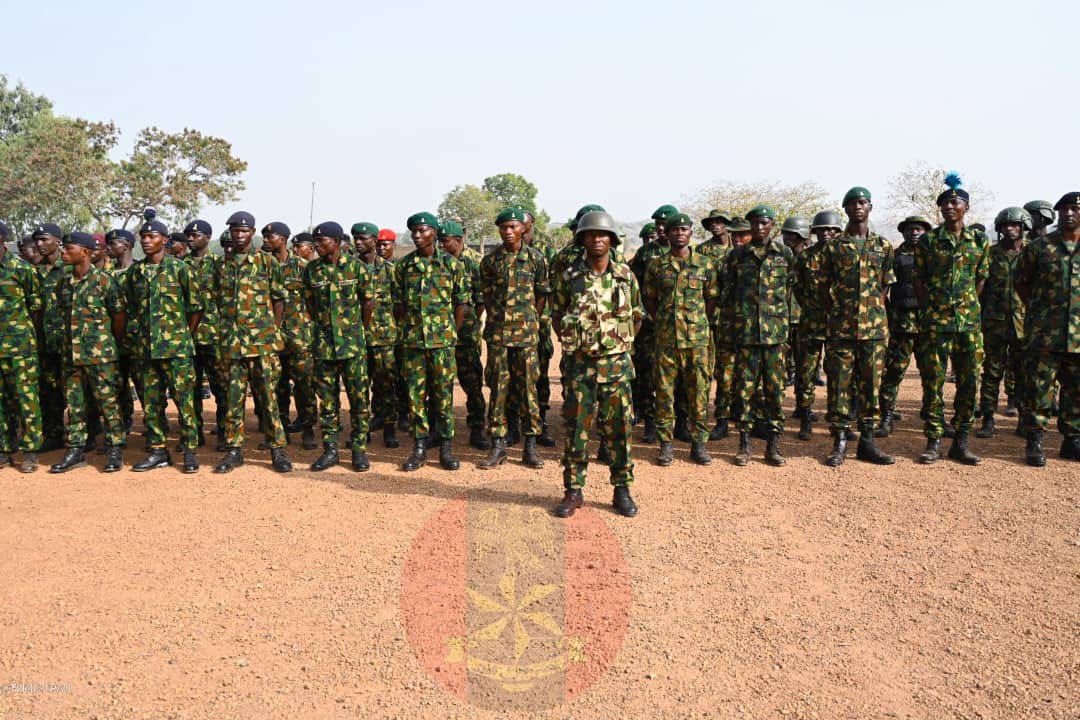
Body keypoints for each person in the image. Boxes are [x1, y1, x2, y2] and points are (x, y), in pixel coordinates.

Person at [552, 210, 642, 518]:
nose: (597, 239)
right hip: (580, 368)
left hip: (616, 368)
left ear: (612, 240)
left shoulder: (625, 275)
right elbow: (557, 314)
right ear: (582, 240)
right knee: (577, 429)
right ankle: (573, 491)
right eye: (590, 234)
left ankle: (622, 489)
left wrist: (617, 346)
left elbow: (637, 316)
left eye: (602, 234)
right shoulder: (570, 277)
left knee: (619, 430)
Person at [913, 174, 989, 465]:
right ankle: (933, 440)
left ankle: (961, 441)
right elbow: (919, 280)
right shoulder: (930, 241)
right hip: (936, 323)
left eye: (955, 202)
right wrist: (931, 308)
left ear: (966, 207)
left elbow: (981, 278)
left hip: (968, 324)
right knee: (933, 382)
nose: (949, 207)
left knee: (969, 382)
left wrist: (966, 306)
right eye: (944, 203)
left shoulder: (979, 240)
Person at [819, 187, 895, 466]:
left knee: (871, 386)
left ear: (870, 207)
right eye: (852, 204)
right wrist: (839, 313)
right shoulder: (835, 246)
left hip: (874, 331)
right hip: (842, 329)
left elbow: (886, 284)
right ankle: (839, 441)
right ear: (846, 209)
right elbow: (823, 287)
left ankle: (867, 442)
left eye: (862, 202)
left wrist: (873, 310)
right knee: (839, 385)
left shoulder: (883, 245)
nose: (858, 207)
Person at [212, 211, 292, 473]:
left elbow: (279, 298)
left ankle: (277, 450)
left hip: (262, 344)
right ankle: (234, 450)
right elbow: (216, 301)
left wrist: (274, 331)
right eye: (234, 230)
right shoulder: (221, 266)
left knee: (268, 399)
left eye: (243, 230)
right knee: (233, 400)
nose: (238, 234)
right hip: (232, 345)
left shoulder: (266, 262)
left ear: (252, 232)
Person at [124, 209, 202, 473]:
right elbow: (132, 307)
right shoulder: (135, 273)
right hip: (146, 350)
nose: (146, 241)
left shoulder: (181, 269)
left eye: (152, 236)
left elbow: (195, 307)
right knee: (151, 403)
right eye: (143, 236)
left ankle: (190, 450)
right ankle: (158, 450)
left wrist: (183, 336)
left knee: (184, 401)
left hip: (176, 349)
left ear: (165, 240)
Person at [395, 212, 470, 471]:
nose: (417, 235)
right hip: (414, 344)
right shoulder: (404, 267)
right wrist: (409, 330)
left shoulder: (452, 265)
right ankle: (418, 448)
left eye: (422, 231)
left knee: (443, 396)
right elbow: (399, 305)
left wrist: (452, 333)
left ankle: (446, 448)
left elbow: (461, 302)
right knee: (416, 396)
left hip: (443, 343)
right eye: (414, 231)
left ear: (434, 234)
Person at [643, 212, 719, 466]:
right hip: (666, 341)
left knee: (699, 392)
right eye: (674, 229)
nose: (679, 233)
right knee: (664, 394)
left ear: (690, 233)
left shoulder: (705, 264)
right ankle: (666, 445)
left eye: (684, 229)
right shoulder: (657, 265)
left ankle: (699, 444)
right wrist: (665, 322)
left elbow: (711, 299)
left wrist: (696, 323)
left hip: (696, 342)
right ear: (668, 232)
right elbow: (650, 300)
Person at [478, 207, 550, 469]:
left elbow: (541, 294)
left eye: (513, 227)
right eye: (503, 228)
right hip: (498, 337)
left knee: (529, 391)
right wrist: (498, 319)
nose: (508, 232)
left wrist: (531, 320)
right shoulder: (490, 262)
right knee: (498, 389)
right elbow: (486, 296)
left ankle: (530, 447)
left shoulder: (536, 259)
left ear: (524, 228)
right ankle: (498, 446)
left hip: (526, 337)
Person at [49, 232, 127, 473]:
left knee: (108, 403)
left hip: (100, 355)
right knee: (75, 405)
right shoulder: (63, 283)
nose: (63, 252)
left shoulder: (104, 281)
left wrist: (107, 343)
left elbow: (119, 316)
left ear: (84, 252)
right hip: (72, 355)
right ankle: (76, 449)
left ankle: (114, 448)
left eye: (68, 248)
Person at [724, 205, 795, 466]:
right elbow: (728, 293)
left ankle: (773, 446)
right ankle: (744, 445)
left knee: (775, 391)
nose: (759, 228)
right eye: (754, 224)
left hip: (775, 337)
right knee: (744, 391)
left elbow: (790, 288)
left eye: (763, 223)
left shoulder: (784, 253)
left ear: (772, 225)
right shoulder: (738, 256)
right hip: (746, 336)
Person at [1015, 192, 1080, 465]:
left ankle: (1072, 440)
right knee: (1039, 388)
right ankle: (1035, 441)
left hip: (1078, 337)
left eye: (1074, 208)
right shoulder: (1040, 247)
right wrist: (1042, 311)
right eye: (1063, 209)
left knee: (1076, 390)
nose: (1068, 213)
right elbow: (1022, 283)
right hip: (1045, 333)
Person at [304, 222, 373, 472]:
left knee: (359, 399)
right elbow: (310, 304)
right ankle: (330, 449)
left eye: (321, 242)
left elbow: (368, 303)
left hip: (353, 346)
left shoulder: (357, 268)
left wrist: (357, 331)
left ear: (336, 242)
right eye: (315, 242)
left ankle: (358, 450)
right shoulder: (312, 271)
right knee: (328, 401)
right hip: (324, 346)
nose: (317, 246)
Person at [262, 221, 317, 450]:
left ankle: (308, 428)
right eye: (264, 237)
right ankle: (279, 429)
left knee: (304, 385)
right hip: (272, 335)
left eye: (269, 237)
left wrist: (309, 326)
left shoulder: (302, 267)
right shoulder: (262, 266)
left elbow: (314, 299)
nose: (265, 240)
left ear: (283, 239)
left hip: (299, 336)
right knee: (277, 385)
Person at [976, 207, 1030, 439]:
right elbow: (980, 287)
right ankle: (988, 419)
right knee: (991, 373)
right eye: (1005, 225)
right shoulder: (990, 254)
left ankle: (1023, 419)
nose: (1010, 229)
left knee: (1023, 373)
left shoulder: (1032, 253)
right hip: (994, 323)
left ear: (1023, 227)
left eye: (1015, 225)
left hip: (1024, 324)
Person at [876, 216, 931, 437]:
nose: (914, 233)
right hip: (901, 324)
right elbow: (884, 287)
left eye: (919, 229)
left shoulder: (935, 256)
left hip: (928, 323)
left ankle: (932, 416)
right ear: (903, 233)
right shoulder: (896, 257)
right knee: (894, 371)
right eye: (910, 229)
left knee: (931, 373)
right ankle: (887, 416)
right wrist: (889, 315)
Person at [630, 204, 679, 442]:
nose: (660, 228)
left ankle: (679, 422)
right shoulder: (646, 253)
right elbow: (634, 283)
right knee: (648, 372)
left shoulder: (686, 253)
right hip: (651, 325)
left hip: (679, 326)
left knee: (678, 376)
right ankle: (650, 421)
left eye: (665, 224)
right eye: (658, 224)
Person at [437, 220, 489, 450]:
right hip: (439, 334)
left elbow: (480, 300)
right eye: (439, 241)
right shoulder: (437, 262)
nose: (441, 245)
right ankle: (440, 429)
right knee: (440, 383)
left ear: (458, 241)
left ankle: (477, 427)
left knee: (472, 382)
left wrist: (468, 324)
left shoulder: (475, 262)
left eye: (445, 241)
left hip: (466, 336)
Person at [0, 221, 43, 472]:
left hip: (20, 348)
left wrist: (25, 337)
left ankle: (30, 451)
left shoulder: (21, 269)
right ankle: (4, 449)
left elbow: (36, 308)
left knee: (27, 400)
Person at [354, 223, 401, 448]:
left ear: (373, 240)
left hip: (384, 338)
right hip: (356, 339)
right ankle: (362, 431)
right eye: (355, 238)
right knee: (359, 387)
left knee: (386, 385)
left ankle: (389, 428)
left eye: (362, 238)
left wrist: (394, 328)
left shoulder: (389, 269)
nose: (357, 242)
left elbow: (400, 304)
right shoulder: (349, 268)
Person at [793, 211, 837, 440]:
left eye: (831, 229)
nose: (827, 233)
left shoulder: (844, 255)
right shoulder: (805, 257)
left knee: (837, 373)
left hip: (838, 325)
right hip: (810, 322)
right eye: (822, 229)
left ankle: (836, 419)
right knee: (806, 371)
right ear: (814, 232)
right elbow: (797, 287)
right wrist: (810, 307)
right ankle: (806, 417)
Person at [183, 220, 225, 449]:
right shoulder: (179, 266)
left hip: (214, 335)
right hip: (189, 336)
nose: (190, 238)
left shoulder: (219, 264)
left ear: (208, 237)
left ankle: (223, 433)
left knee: (221, 388)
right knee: (191, 388)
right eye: (188, 235)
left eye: (195, 235)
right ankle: (194, 434)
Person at [695, 210, 736, 439]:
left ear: (727, 224)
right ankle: (709, 418)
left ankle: (730, 417)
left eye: (720, 222)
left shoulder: (738, 248)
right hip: (709, 318)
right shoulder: (703, 250)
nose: (715, 226)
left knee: (733, 372)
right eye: (712, 223)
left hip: (735, 320)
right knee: (709, 369)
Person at [33, 223, 68, 451]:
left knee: (77, 392)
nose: (39, 244)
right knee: (47, 391)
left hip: (69, 342)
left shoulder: (69, 268)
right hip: (43, 342)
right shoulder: (33, 271)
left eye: (44, 239)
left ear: (58, 241)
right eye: (37, 240)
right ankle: (53, 434)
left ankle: (87, 434)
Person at [105, 229, 139, 435]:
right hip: (112, 338)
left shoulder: (139, 271)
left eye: (112, 243)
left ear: (126, 245)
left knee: (143, 385)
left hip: (136, 338)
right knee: (118, 384)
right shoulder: (106, 275)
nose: (108, 248)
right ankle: (123, 423)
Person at [780, 216, 811, 390]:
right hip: (781, 317)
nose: (788, 238)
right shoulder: (780, 258)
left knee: (804, 364)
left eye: (793, 235)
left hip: (803, 318)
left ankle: (803, 405)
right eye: (786, 234)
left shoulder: (810, 259)